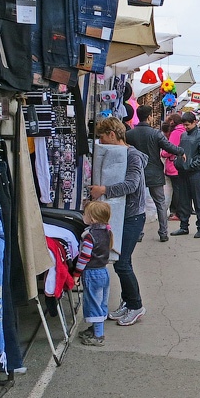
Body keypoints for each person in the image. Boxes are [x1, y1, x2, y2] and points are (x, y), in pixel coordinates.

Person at [89, 117, 148, 326]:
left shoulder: (133, 156)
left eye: (102, 137)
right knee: (124, 262)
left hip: (133, 216)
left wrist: (103, 190)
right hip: (124, 215)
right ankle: (128, 301)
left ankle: (136, 306)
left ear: (112, 135)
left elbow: (131, 185)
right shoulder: (122, 154)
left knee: (122, 263)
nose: (101, 142)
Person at [127, 105, 184, 242]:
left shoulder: (130, 134)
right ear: (150, 116)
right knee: (160, 202)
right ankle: (163, 232)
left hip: (137, 171)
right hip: (154, 171)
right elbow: (169, 147)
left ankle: (138, 233)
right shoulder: (155, 134)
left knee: (138, 204)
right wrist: (181, 151)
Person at [72, 201, 113, 347]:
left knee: (93, 303)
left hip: (92, 273)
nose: (83, 216)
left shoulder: (89, 236)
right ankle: (96, 328)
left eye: (85, 214)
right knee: (101, 303)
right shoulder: (106, 231)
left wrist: (76, 273)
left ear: (93, 219)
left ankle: (98, 335)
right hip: (103, 271)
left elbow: (84, 257)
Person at [171, 111, 200, 238]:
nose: (186, 127)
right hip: (184, 171)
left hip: (194, 173)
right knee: (183, 201)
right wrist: (179, 163)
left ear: (194, 122)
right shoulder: (183, 135)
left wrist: (191, 165)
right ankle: (184, 226)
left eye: (188, 125)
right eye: (184, 125)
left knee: (198, 200)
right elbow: (181, 151)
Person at [161, 110, 186, 222]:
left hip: (174, 164)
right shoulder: (184, 130)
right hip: (182, 163)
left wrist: (162, 153)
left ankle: (176, 212)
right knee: (180, 188)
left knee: (176, 190)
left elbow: (170, 148)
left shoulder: (176, 133)